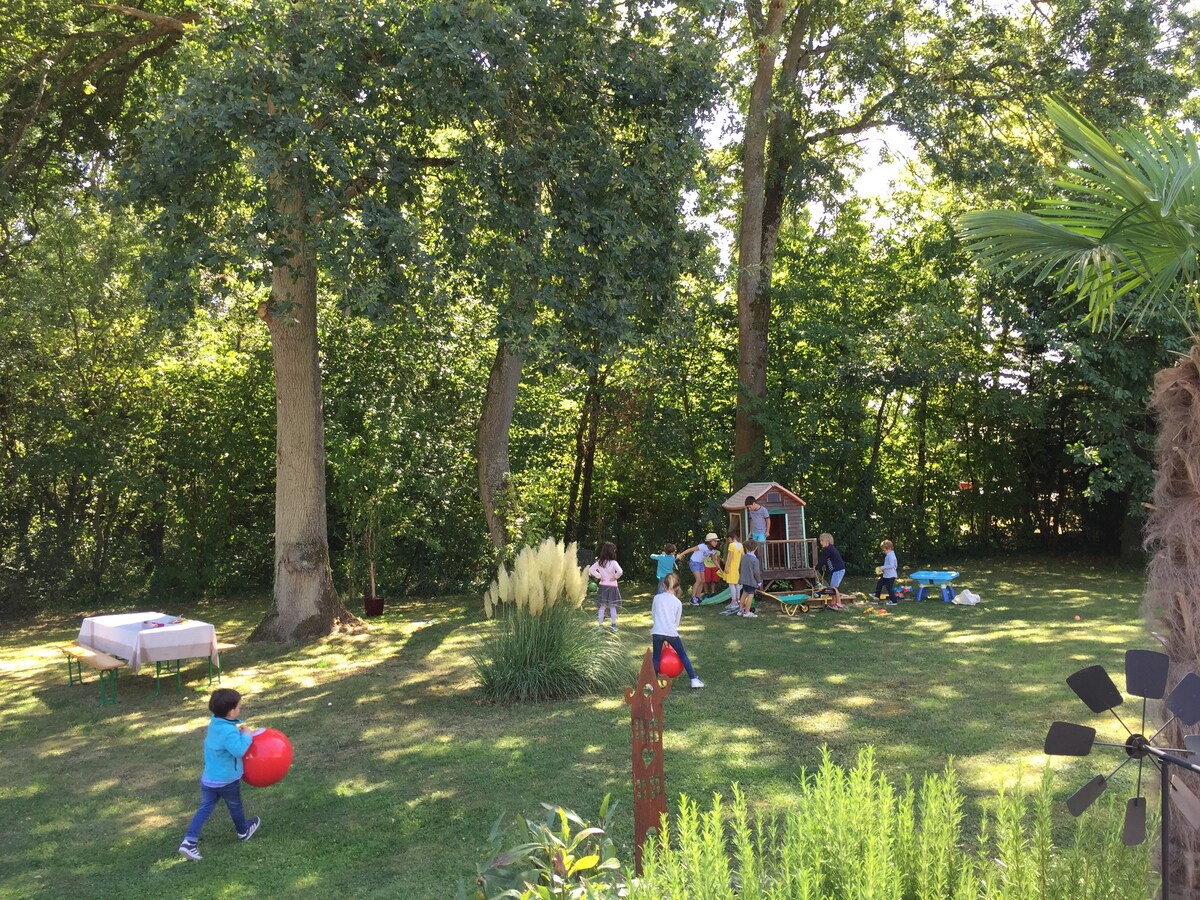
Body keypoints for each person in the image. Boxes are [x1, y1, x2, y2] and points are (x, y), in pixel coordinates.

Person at [179, 688, 261, 861]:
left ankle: (189, 842)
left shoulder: (215, 722)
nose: (240, 710)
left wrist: (237, 729)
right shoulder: (228, 731)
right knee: (235, 806)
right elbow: (238, 750)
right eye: (238, 707)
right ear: (231, 712)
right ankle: (243, 831)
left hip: (209, 779)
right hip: (226, 780)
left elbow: (225, 740)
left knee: (204, 808)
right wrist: (246, 735)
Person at [651, 573, 704, 688]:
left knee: (656, 657)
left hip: (657, 632)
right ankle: (694, 680)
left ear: (664, 585)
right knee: (683, 655)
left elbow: (653, 616)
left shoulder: (657, 598)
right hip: (671, 633)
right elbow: (676, 622)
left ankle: (652, 684)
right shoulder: (677, 603)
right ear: (677, 587)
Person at [677, 533, 720, 605]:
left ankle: (697, 597)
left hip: (700, 563)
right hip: (694, 562)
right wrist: (680, 555)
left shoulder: (712, 550)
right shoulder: (702, 546)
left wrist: (720, 569)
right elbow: (690, 550)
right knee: (699, 580)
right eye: (715, 541)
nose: (716, 542)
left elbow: (714, 560)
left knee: (703, 581)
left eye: (716, 541)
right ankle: (692, 598)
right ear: (710, 541)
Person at [589, 542, 624, 631]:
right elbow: (620, 571)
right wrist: (615, 577)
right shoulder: (613, 562)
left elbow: (591, 569)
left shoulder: (600, 562)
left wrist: (599, 576)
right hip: (612, 586)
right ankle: (614, 625)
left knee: (602, 606)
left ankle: (600, 626)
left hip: (603, 585)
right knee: (612, 606)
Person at [817, 533, 846, 608]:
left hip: (838, 570)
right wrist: (824, 566)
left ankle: (839, 603)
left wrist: (816, 567)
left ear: (827, 541)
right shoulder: (830, 549)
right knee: (832, 587)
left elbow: (822, 560)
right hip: (837, 570)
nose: (821, 543)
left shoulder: (828, 549)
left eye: (822, 541)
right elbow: (828, 560)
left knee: (833, 588)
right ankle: (833, 602)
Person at [737, 540, 763, 617]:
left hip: (744, 580)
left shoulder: (743, 557)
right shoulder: (755, 560)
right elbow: (756, 573)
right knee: (750, 596)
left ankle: (740, 611)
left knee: (744, 594)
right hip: (751, 581)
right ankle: (747, 612)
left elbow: (739, 568)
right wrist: (759, 581)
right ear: (756, 548)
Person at [721, 528, 744, 614]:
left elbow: (730, 557)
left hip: (731, 567)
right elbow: (743, 556)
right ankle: (737, 601)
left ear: (731, 538)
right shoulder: (741, 545)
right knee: (736, 584)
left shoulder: (731, 546)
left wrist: (726, 567)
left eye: (728, 538)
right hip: (737, 567)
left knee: (731, 585)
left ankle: (733, 602)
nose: (728, 540)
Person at [746, 496, 770, 566]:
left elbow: (768, 520)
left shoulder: (763, 510)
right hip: (754, 532)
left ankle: (763, 564)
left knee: (761, 547)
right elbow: (751, 521)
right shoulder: (751, 511)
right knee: (753, 548)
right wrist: (750, 531)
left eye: (750, 507)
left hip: (762, 532)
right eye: (748, 507)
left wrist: (767, 531)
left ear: (753, 503)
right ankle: (755, 563)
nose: (749, 508)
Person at [875, 539, 899, 605]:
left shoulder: (891, 556)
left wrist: (882, 567)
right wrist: (883, 569)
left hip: (890, 575)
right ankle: (876, 595)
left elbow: (892, 565)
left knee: (889, 588)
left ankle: (894, 601)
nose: (883, 552)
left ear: (889, 548)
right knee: (880, 583)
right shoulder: (889, 555)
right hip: (887, 574)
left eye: (884, 550)